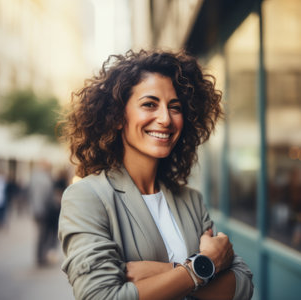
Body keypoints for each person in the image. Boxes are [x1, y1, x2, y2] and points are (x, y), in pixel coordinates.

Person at [58, 50, 254, 299]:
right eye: (149, 104)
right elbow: (101, 296)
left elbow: (243, 286)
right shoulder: (87, 197)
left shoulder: (190, 199)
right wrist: (204, 268)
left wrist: (165, 272)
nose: (165, 119)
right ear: (118, 117)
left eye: (175, 107)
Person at [28, 160, 55, 266]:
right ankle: (40, 257)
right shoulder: (42, 178)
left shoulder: (37, 177)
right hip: (41, 211)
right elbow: (41, 196)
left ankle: (41, 256)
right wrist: (40, 210)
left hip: (40, 210)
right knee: (41, 235)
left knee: (42, 235)